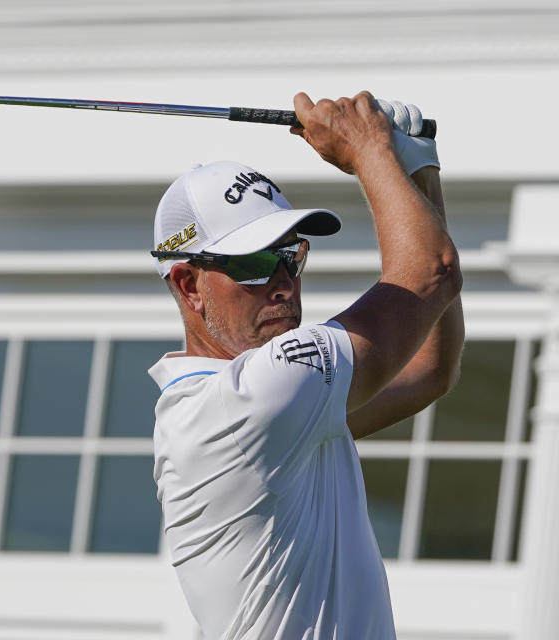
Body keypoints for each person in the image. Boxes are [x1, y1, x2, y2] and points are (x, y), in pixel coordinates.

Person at [147, 92, 464, 639]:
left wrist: (415, 173)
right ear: (188, 285)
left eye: (290, 255)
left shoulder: (276, 401)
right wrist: (371, 151)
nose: (282, 282)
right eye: (252, 262)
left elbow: (431, 365)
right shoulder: (249, 399)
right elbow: (430, 273)